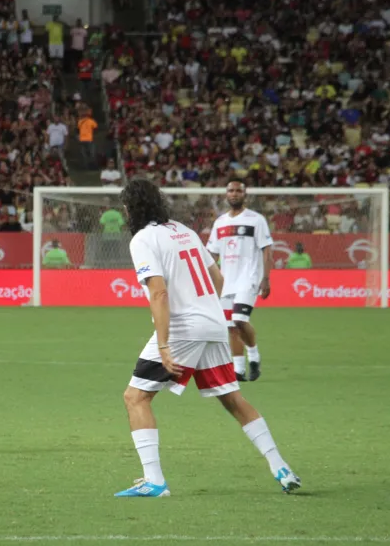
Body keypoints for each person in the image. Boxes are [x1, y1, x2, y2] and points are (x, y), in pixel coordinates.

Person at [115, 179, 300, 497]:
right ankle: (281, 467)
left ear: (132, 208)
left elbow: (158, 292)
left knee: (136, 397)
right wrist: (205, 311)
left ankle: (155, 481)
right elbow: (217, 278)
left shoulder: (143, 239)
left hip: (186, 327)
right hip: (214, 323)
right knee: (233, 400)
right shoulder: (183, 230)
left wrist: (164, 343)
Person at [206, 181, 273, 381]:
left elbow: (267, 250)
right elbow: (211, 254)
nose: (234, 194)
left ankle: (254, 357)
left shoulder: (256, 220)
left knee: (240, 319)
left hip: (249, 278)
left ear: (245, 195)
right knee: (231, 326)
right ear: (226, 195)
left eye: (238, 191)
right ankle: (239, 370)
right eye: (231, 191)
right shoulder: (220, 222)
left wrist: (266, 278)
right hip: (227, 281)